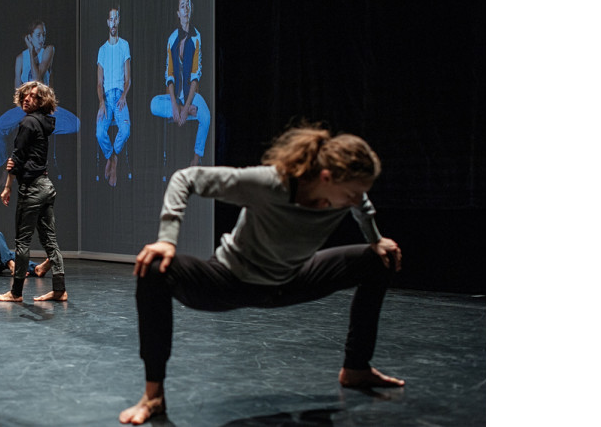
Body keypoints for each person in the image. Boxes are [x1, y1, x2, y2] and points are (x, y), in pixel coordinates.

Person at [118, 125, 404, 425]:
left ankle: (356, 368)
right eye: (352, 193)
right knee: (154, 269)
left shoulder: (346, 195)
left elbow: (364, 207)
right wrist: (167, 239)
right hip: (231, 281)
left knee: (380, 260)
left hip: (292, 280)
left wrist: (376, 239)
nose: (357, 199)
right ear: (326, 177)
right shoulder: (270, 183)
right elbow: (185, 178)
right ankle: (154, 395)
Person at [0, 81, 67, 302]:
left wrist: (7, 186)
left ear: (42, 101)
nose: (27, 98)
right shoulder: (44, 123)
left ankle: (16, 292)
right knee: (50, 241)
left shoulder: (28, 122)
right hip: (46, 186)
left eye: (34, 96)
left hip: (32, 189)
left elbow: (17, 157)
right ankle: (59, 290)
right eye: (26, 95)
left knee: (22, 242)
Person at [0, 21, 79, 185]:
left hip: (45, 107)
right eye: (38, 35)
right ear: (29, 37)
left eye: (44, 35)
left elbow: (38, 80)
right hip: (25, 108)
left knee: (76, 124)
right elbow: (17, 92)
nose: (42, 38)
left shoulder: (48, 50)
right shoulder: (20, 59)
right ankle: (5, 167)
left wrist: (31, 52)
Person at [149, 0, 211, 168]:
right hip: (176, 97)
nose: (186, 9)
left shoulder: (196, 37)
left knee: (206, 116)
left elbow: (195, 75)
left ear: (191, 10)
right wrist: (177, 107)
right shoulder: (172, 39)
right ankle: (187, 110)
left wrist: (187, 105)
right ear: (178, 13)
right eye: (183, 6)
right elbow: (169, 75)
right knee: (154, 104)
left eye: (188, 5)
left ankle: (195, 160)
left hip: (190, 95)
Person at [96, 6, 132, 187]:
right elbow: (99, 82)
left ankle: (114, 159)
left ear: (119, 21)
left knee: (125, 129)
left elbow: (128, 79)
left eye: (116, 18)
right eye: (111, 19)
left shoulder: (124, 45)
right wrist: (101, 102)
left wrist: (124, 95)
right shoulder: (102, 50)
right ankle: (111, 158)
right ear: (107, 22)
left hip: (119, 96)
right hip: (106, 98)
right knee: (99, 132)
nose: (113, 22)